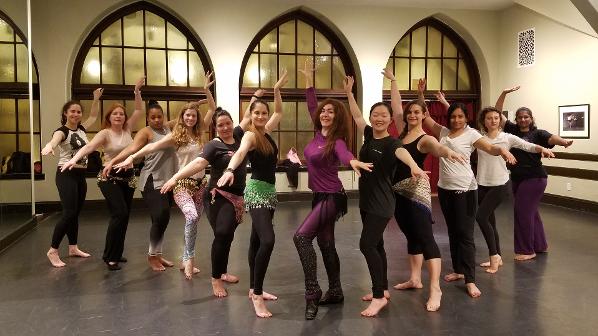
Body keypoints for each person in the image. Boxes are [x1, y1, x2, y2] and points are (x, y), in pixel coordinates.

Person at [114, 73, 215, 278]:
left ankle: (179, 258)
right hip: (178, 183)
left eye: (193, 115)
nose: (190, 118)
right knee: (176, 216)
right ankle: (160, 256)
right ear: (181, 117)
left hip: (200, 184)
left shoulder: (200, 131)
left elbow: (212, 109)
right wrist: (130, 159)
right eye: (186, 115)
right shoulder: (175, 136)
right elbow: (151, 147)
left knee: (184, 221)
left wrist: (206, 90)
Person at [344, 75, 429, 317]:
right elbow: (356, 116)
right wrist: (350, 93)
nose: (379, 118)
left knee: (367, 244)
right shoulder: (369, 134)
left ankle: (378, 297)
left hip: (382, 202)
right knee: (378, 245)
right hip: (366, 201)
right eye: (375, 115)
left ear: (390, 120)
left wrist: (414, 166)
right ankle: (382, 289)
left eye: (384, 115)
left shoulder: (393, 142)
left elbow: (403, 153)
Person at [294, 62, 373, 320]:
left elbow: (345, 154)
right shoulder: (317, 133)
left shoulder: (336, 141)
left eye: (331, 112)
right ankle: (336, 290)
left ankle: (312, 293)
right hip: (319, 196)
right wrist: (308, 82)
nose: (326, 114)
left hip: (333, 197)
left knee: (302, 238)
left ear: (338, 117)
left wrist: (353, 161)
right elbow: (311, 106)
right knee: (326, 243)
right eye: (324, 111)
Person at [383, 73, 465, 312]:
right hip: (397, 191)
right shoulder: (400, 132)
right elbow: (397, 107)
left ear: (423, 115)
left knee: (426, 238)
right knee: (411, 235)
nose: (411, 115)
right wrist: (394, 81)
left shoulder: (424, 138)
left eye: (417, 112)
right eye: (410, 112)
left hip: (416, 192)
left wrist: (450, 153)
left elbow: (438, 148)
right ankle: (415, 278)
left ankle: (435, 289)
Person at [423, 91, 516, 298]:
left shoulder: (472, 134)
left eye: (461, 116)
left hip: (465, 189)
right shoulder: (443, 132)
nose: (456, 120)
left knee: (465, 235)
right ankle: (458, 269)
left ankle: (470, 280)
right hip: (445, 190)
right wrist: (421, 94)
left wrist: (502, 151)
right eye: (453, 116)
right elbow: (426, 117)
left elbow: (490, 147)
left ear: (466, 118)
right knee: (453, 232)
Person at [217, 70, 288, 318]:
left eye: (263, 113)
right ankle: (257, 295)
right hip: (256, 191)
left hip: (270, 193)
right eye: (256, 113)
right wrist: (229, 169)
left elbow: (279, 111)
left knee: (257, 240)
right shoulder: (249, 134)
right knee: (268, 240)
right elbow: (239, 153)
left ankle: (252, 289)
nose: (260, 116)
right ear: (251, 115)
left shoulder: (267, 130)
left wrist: (277, 90)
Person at [62, 77, 145, 271]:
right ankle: (109, 256)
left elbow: (139, 110)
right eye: (115, 114)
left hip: (128, 177)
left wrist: (137, 91)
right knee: (119, 213)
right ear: (109, 117)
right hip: (109, 178)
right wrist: (73, 160)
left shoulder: (127, 129)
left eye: (121, 114)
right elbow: (89, 147)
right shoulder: (105, 133)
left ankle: (117, 253)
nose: (119, 116)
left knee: (124, 217)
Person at [496, 86, 573, 261]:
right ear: (516, 119)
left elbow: (552, 138)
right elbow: (497, 112)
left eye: (526, 117)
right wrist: (504, 93)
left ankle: (526, 250)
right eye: (520, 117)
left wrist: (564, 142)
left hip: (535, 178)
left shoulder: (538, 133)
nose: (523, 120)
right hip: (517, 178)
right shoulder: (511, 130)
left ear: (531, 119)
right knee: (531, 212)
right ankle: (540, 245)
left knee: (522, 212)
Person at [476, 103, 554, 272]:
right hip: (482, 183)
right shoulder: (479, 138)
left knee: (481, 217)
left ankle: (495, 257)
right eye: (489, 118)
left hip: (500, 183)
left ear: (500, 120)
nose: (493, 121)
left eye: (496, 118)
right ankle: (496, 256)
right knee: (490, 220)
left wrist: (542, 149)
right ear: (484, 121)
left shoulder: (507, 137)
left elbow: (528, 146)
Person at [41, 88, 101, 267]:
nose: (76, 114)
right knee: (68, 213)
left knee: (75, 213)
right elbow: (54, 140)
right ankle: (53, 250)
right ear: (65, 113)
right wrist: (49, 146)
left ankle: (73, 247)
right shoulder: (62, 132)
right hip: (66, 174)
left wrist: (96, 99)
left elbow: (94, 116)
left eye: (78, 111)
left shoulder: (82, 129)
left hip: (80, 175)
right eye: (72, 111)